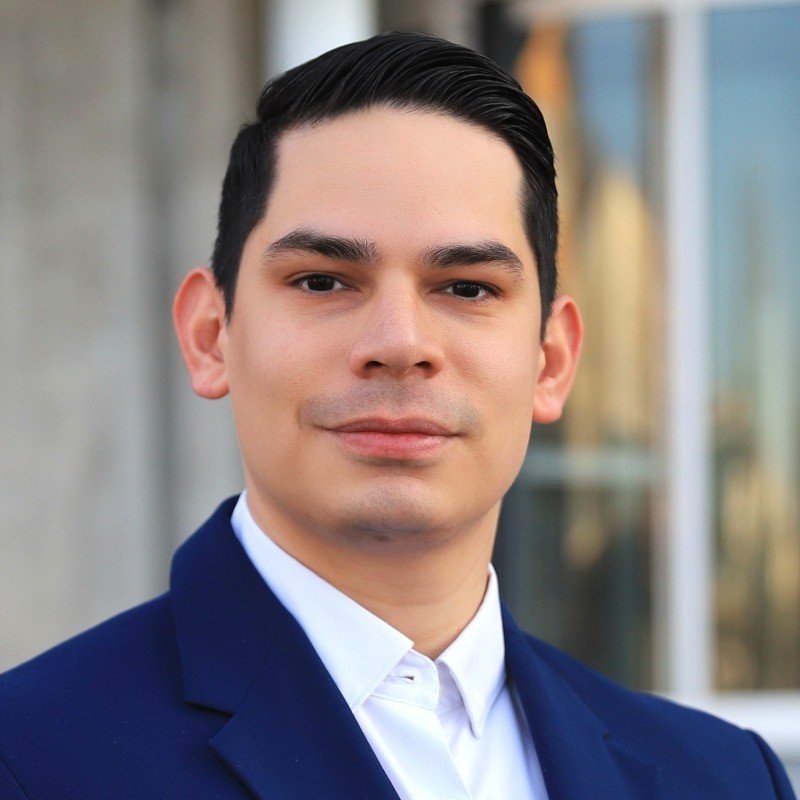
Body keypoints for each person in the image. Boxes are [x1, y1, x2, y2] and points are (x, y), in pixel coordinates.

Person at [0, 31, 794, 800]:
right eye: (323, 281)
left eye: (467, 287)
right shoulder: (29, 760)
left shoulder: (725, 779)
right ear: (212, 335)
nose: (400, 345)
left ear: (551, 361)